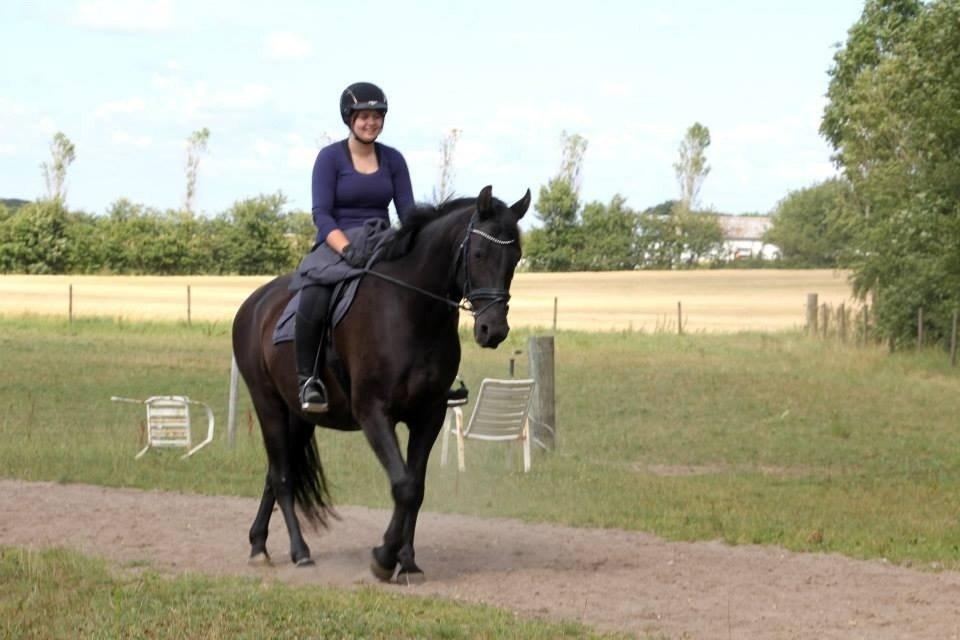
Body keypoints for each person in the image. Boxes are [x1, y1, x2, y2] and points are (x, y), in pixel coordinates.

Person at [295, 81, 414, 413]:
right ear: (349, 118)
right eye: (363, 116)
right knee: (316, 293)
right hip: (338, 242)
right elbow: (321, 214)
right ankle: (308, 379)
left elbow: (408, 213)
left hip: (382, 240)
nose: (371, 123)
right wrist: (347, 250)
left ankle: (435, 375)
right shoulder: (330, 158)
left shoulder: (394, 159)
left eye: (377, 117)